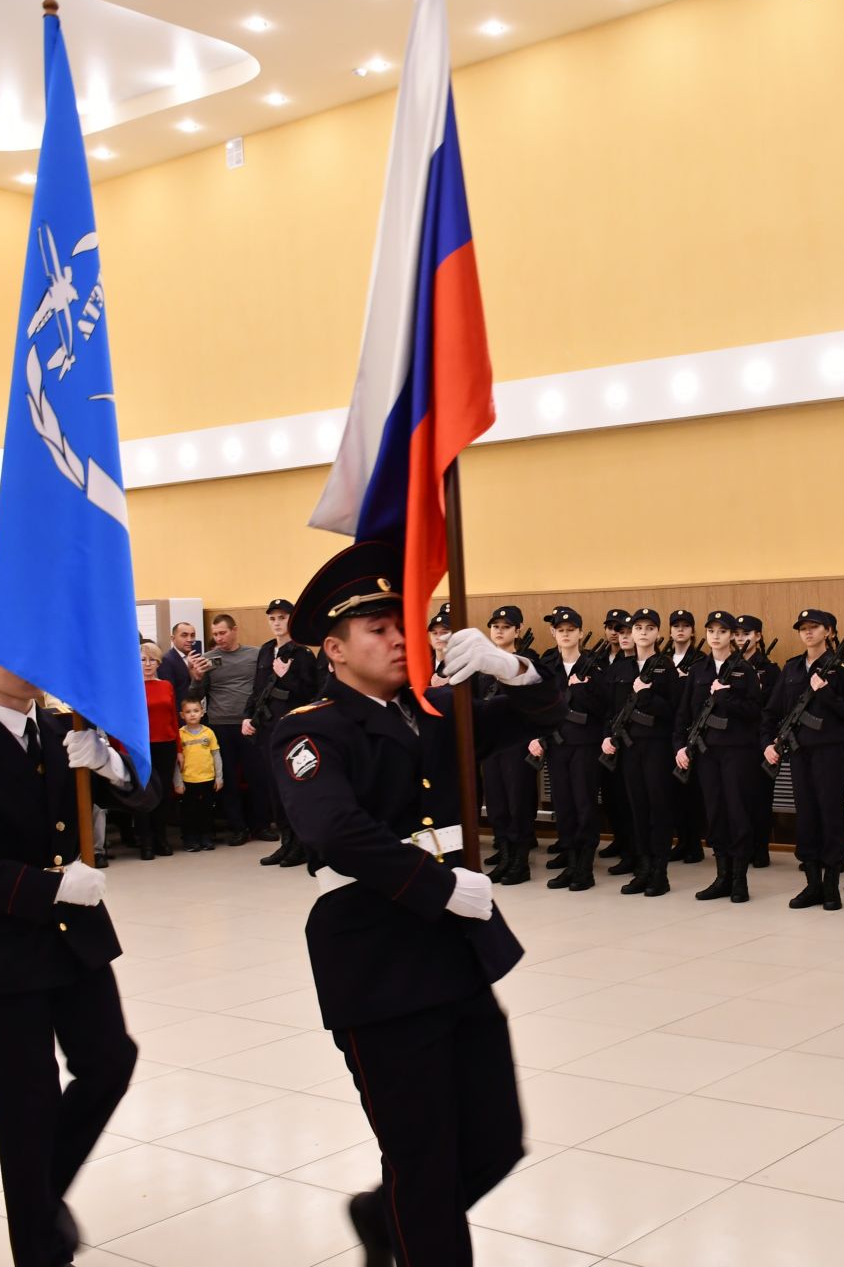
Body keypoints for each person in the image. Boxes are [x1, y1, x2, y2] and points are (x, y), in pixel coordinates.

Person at [271, 539, 563, 1266]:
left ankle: (384, 1217)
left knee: (496, 1141)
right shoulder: (309, 729)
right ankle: (406, 1221)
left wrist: (509, 667)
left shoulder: (435, 711)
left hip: (455, 953)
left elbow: (547, 710)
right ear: (334, 650)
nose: (401, 637)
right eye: (378, 628)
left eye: (402, 621)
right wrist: (438, 885)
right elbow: (333, 828)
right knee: (424, 1166)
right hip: (377, 960)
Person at [0, 595, 148, 1267]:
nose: (34, 667)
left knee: (111, 1061)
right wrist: (51, 887)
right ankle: (37, 1248)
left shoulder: (65, 731)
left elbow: (147, 797)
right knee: (26, 1101)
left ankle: (39, 1194)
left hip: (76, 941)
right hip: (8, 945)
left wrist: (112, 766)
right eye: (15, 654)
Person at [761, 608, 844, 911]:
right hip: (799, 753)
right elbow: (771, 711)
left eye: (815, 627)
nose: (808, 632)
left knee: (830, 815)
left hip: (829, 752)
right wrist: (769, 742)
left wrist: (827, 692)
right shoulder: (792, 669)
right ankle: (812, 884)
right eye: (803, 628)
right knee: (806, 815)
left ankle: (832, 886)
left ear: (829, 631)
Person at [674, 610, 760, 903]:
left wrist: (728, 699)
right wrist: (680, 746)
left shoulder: (743, 670)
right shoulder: (699, 671)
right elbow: (684, 713)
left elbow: (754, 713)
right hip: (706, 753)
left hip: (736, 753)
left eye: (722, 632)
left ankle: (739, 880)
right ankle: (721, 876)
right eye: (711, 631)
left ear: (731, 636)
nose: (716, 636)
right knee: (715, 813)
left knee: (737, 813)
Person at [603, 608, 680, 895]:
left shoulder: (665, 667)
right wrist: (606, 737)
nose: (643, 633)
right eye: (638, 628)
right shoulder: (620, 669)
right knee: (637, 809)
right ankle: (642, 869)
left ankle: (660, 873)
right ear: (631, 633)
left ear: (658, 633)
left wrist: (647, 696)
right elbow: (609, 710)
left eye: (649, 628)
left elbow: (675, 711)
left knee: (658, 810)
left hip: (657, 747)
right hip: (628, 747)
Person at [532, 607, 605, 891]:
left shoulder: (593, 667)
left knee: (584, 805)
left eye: (570, 630)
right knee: (563, 806)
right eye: (560, 630)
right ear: (553, 633)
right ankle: (570, 863)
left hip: (584, 745)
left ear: (579, 633)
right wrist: (538, 736)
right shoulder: (547, 666)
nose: (565, 634)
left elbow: (604, 709)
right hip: (557, 745)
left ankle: (584, 868)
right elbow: (538, 706)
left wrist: (583, 690)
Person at [248, 598, 322, 867]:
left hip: (292, 728)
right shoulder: (266, 650)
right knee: (274, 787)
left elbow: (309, 693)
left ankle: (301, 845)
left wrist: (286, 676)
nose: (277, 623)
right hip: (267, 728)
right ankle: (285, 842)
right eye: (272, 618)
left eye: (282, 617)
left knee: (293, 787)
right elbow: (257, 688)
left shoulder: (302, 654)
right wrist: (248, 716)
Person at [185, 614, 268, 845]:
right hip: (220, 726)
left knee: (257, 777)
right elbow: (195, 697)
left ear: (234, 630)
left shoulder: (255, 654)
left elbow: (264, 687)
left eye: (222, 633)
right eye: (215, 634)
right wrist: (197, 676)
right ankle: (238, 828)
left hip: (250, 724)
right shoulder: (207, 659)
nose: (218, 638)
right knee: (228, 779)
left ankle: (260, 825)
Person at [478, 606, 541, 884]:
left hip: (517, 742)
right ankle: (504, 855)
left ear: (517, 630)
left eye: (506, 626)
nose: (499, 631)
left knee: (518, 801)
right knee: (496, 802)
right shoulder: (483, 663)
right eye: (495, 626)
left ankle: (520, 862)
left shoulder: (527, 662)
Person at [736, 614, 781, 868]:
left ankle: (761, 847)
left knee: (761, 798)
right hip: (736, 742)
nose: (741, 638)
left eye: (747, 633)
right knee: (739, 797)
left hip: (761, 740)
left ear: (758, 636)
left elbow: (773, 708)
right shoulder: (727, 667)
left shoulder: (771, 670)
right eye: (738, 634)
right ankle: (744, 846)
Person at [665, 608, 707, 864]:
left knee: (693, 792)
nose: (680, 630)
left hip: (693, 733)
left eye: (685, 626)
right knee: (674, 792)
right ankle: (681, 840)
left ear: (693, 631)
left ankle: (694, 843)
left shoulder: (701, 661)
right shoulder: (661, 660)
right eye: (676, 626)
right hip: (669, 732)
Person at [598, 610, 637, 869]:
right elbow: (606, 706)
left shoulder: (649, 665)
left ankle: (634, 852)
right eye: (618, 632)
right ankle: (622, 842)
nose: (621, 636)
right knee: (614, 797)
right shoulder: (614, 666)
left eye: (626, 632)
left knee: (633, 799)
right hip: (613, 739)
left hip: (637, 741)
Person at [135, 642, 177, 860]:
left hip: (166, 744)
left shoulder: (166, 686)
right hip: (141, 747)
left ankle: (161, 839)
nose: (148, 664)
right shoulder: (131, 686)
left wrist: (178, 749)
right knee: (144, 794)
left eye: (152, 660)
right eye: (143, 659)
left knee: (163, 794)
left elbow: (173, 717)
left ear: (159, 663)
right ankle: (146, 842)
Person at [174, 697, 223, 852]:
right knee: (189, 812)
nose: (192, 715)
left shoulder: (209, 733)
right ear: (182, 715)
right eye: (188, 712)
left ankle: (206, 837)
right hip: (188, 780)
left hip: (207, 779)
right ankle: (190, 839)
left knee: (206, 811)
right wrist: (178, 782)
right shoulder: (180, 734)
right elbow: (176, 761)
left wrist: (219, 777)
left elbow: (216, 755)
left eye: (196, 711)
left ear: (202, 712)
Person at [158, 621, 199, 705]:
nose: (189, 639)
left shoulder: (197, 657)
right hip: (180, 712)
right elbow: (169, 693)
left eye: (192, 635)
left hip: (198, 712)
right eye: (184, 635)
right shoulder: (166, 660)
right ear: (173, 638)